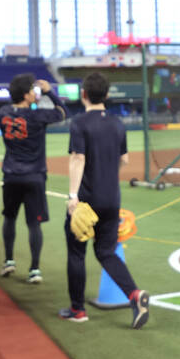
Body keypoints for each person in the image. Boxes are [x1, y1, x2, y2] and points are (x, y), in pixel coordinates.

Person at [60, 72, 150, 328]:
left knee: (77, 253)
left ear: (84, 94)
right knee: (106, 252)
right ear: (107, 95)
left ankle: (77, 310)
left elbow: (78, 158)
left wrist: (73, 196)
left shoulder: (79, 123)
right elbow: (124, 159)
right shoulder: (117, 123)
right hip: (111, 199)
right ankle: (134, 294)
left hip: (86, 201)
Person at [0, 73, 65, 283]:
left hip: (11, 175)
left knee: (9, 218)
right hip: (34, 175)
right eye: (32, 90)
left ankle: (9, 261)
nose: (34, 93)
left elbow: (13, 110)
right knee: (34, 224)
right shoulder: (38, 116)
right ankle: (34, 269)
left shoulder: (2, 113)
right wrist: (48, 93)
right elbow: (62, 112)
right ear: (26, 95)